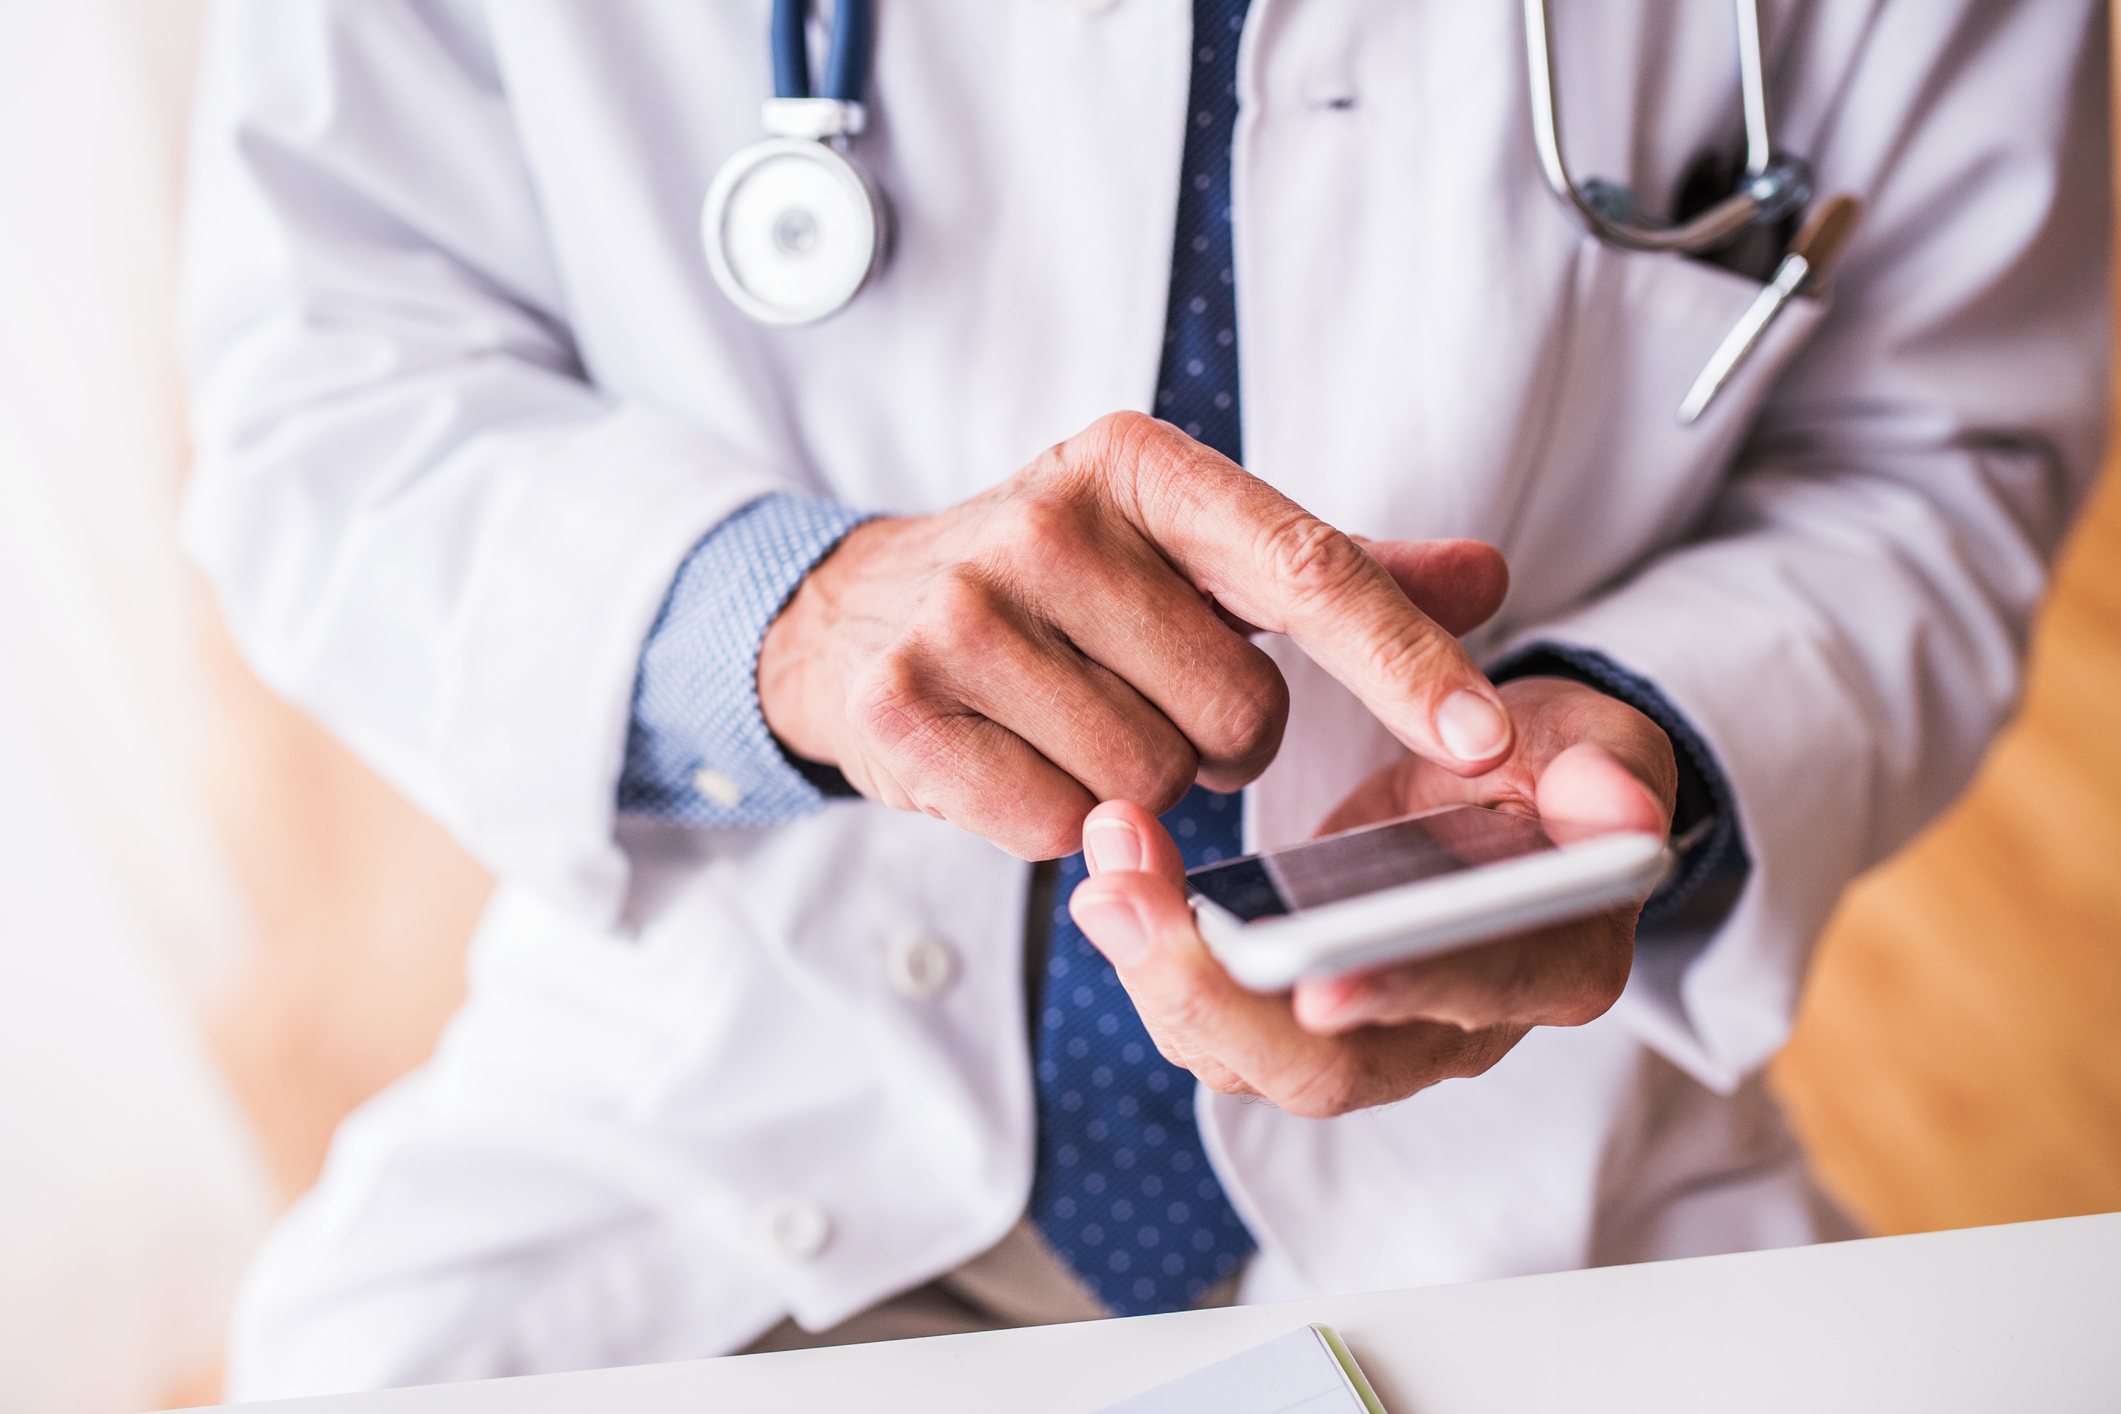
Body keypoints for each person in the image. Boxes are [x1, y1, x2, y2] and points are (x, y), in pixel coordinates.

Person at [179, 0, 2108, 1397]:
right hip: (698, 1129)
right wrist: (787, 621)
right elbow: (326, 385)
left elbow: (1936, 449)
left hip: (1540, 1176)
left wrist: (1649, 734)